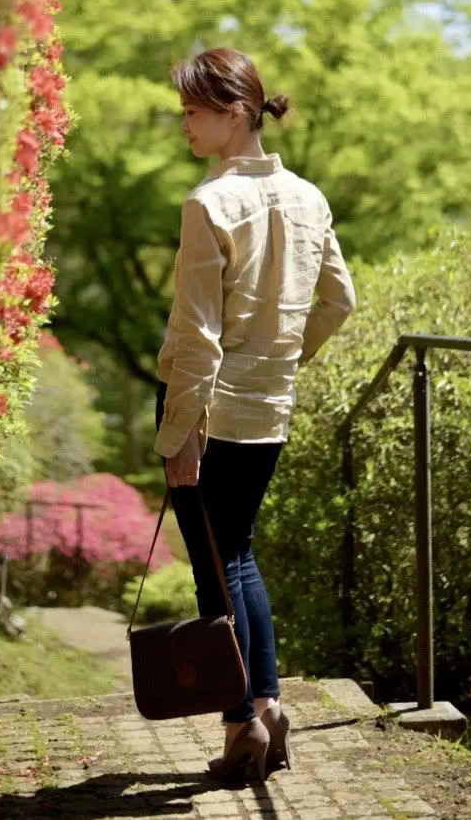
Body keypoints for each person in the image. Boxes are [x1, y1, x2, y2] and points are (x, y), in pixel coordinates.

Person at [154, 47, 356, 784]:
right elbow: (339, 299)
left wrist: (179, 431)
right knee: (236, 552)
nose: (184, 124)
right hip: (268, 406)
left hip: (208, 410)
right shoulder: (308, 197)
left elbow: (199, 336)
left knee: (217, 570)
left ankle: (243, 723)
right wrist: (282, 358)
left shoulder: (206, 204)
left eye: (192, 111)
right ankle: (266, 708)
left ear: (234, 111)